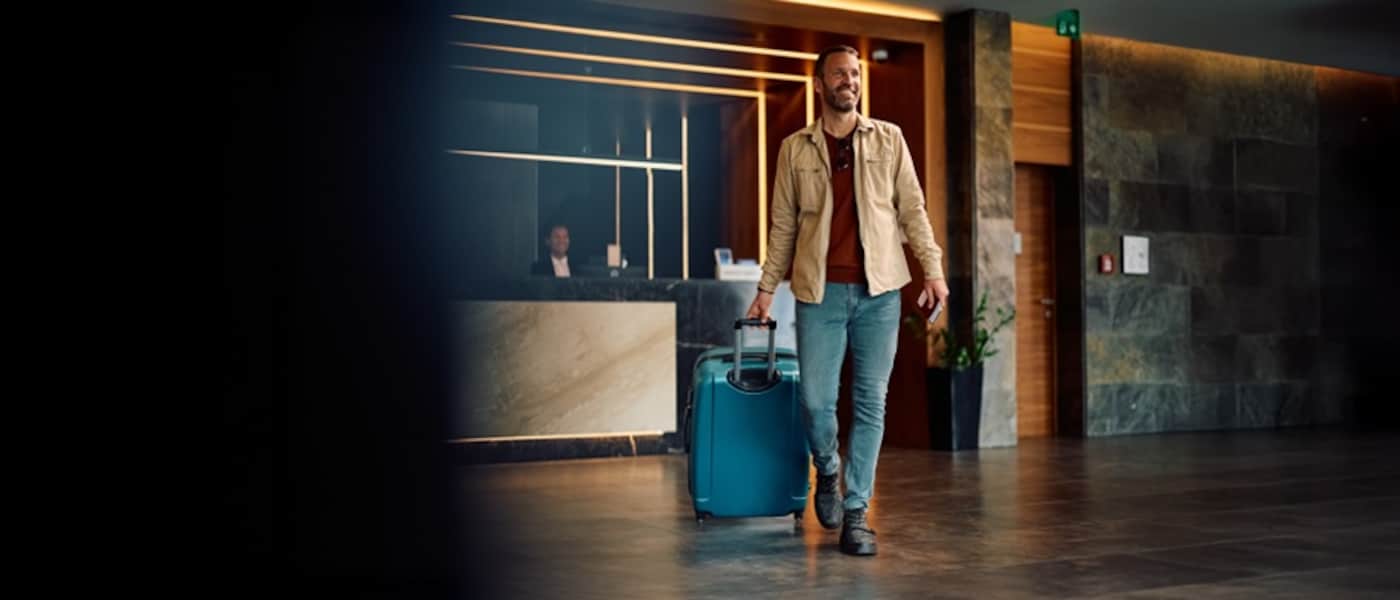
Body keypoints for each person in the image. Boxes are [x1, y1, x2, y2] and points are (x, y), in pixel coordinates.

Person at [745, 45, 949, 556]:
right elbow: (784, 226)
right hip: (819, 292)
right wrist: (766, 291)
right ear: (820, 84)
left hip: (880, 293)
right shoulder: (795, 149)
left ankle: (857, 512)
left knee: (870, 403)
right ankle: (829, 471)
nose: (849, 81)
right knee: (816, 402)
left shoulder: (889, 139)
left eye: (855, 74)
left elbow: (913, 212)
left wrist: (933, 270)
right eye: (839, 74)